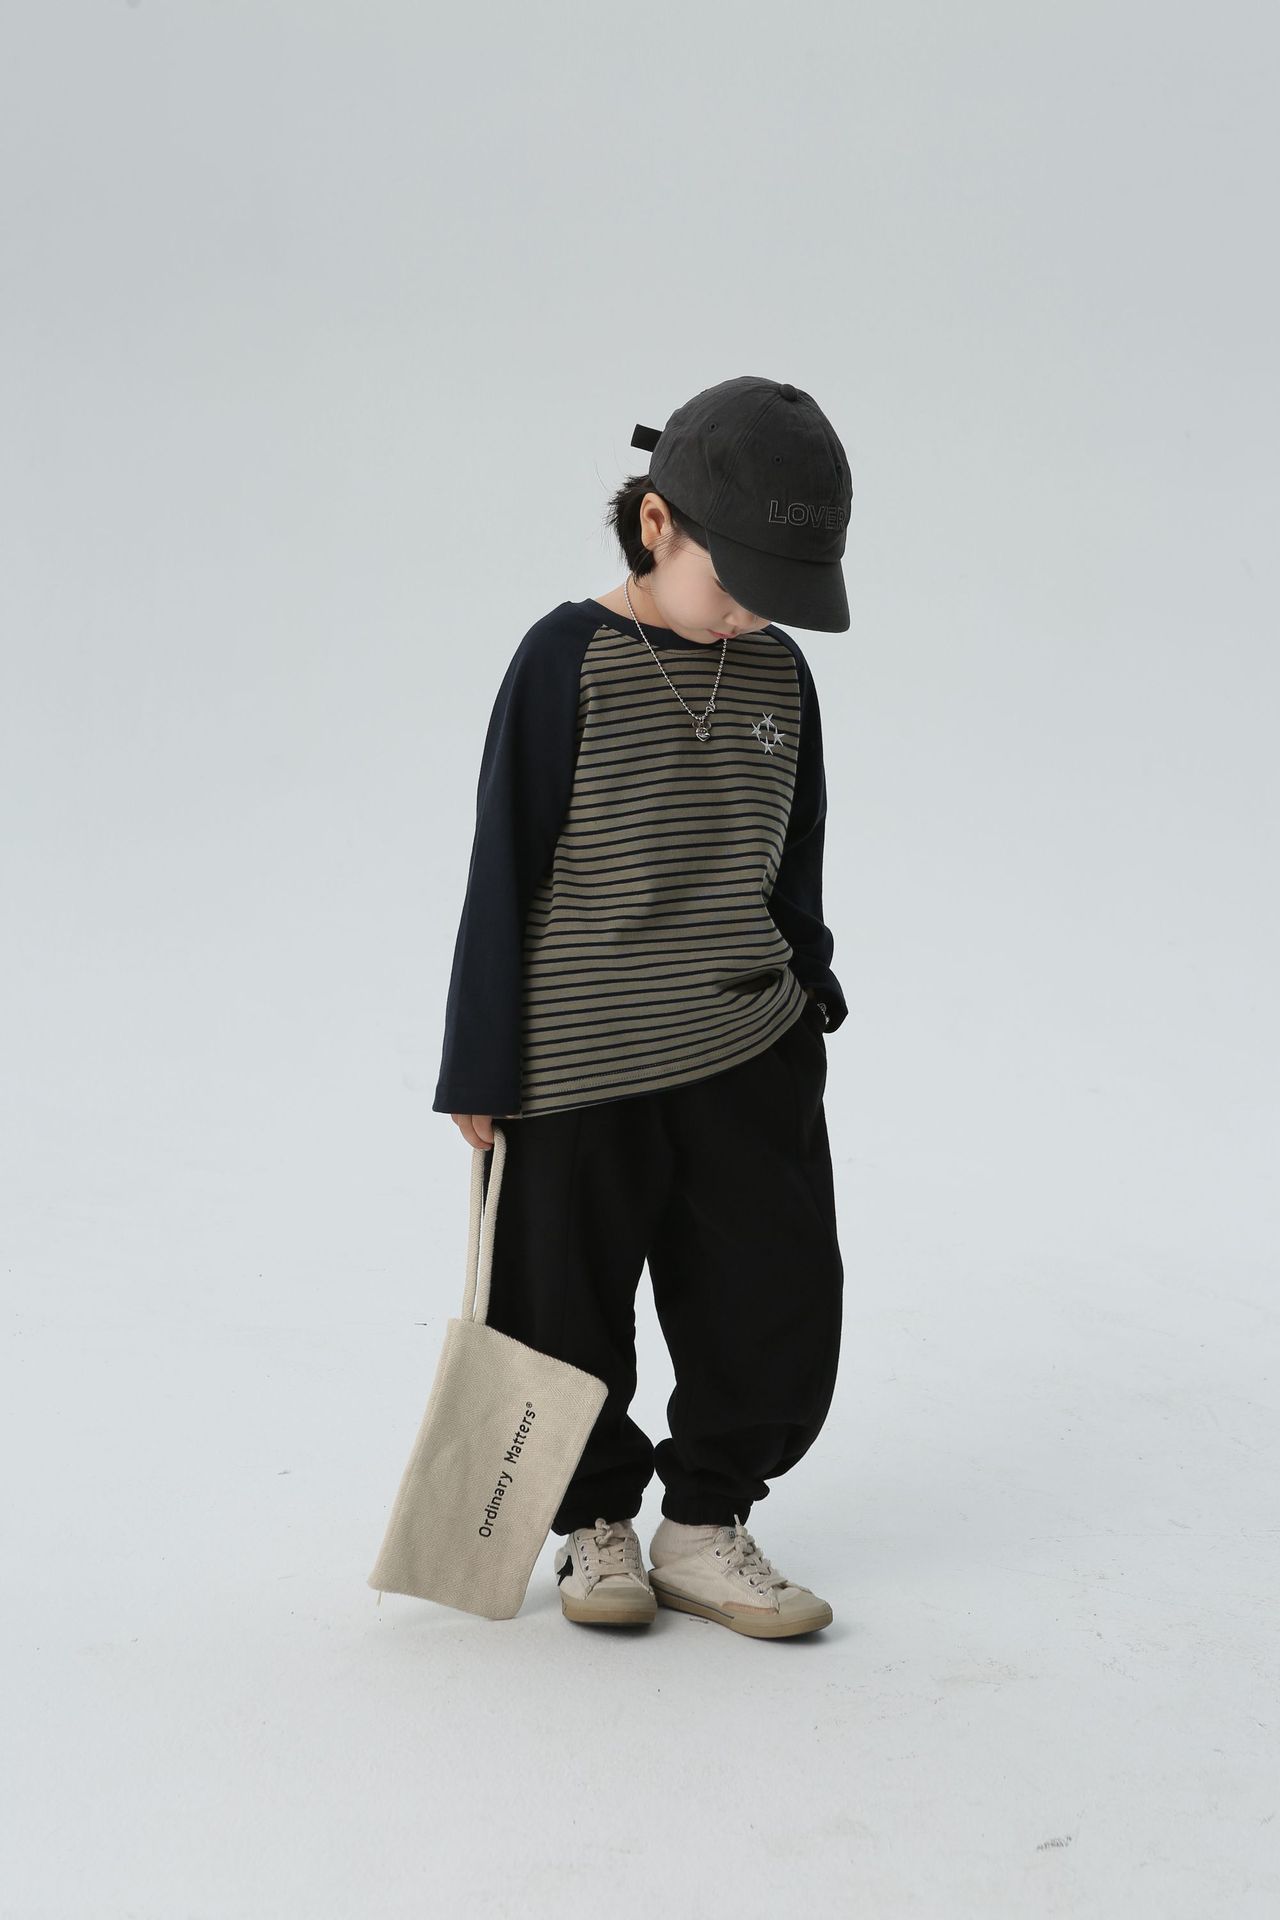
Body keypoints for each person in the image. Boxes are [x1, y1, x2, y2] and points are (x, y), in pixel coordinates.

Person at [433, 374, 853, 1638]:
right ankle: (594, 1522)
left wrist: (808, 988)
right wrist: (478, 1061)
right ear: (655, 524)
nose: (749, 615)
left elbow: (792, 855)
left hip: (746, 1044)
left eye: (779, 594)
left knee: (773, 1299)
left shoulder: (777, 672)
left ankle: (705, 1524)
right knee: (560, 1307)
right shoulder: (564, 658)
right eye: (734, 582)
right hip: (575, 1060)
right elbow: (503, 859)